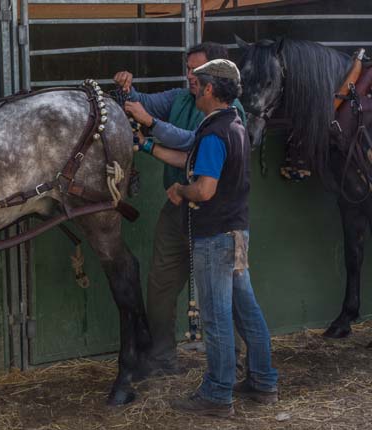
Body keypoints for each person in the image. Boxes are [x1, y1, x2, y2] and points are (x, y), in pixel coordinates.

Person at [141, 59, 278, 417]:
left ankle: (218, 394)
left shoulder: (216, 133)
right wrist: (147, 144)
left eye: (198, 84)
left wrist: (180, 191)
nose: (193, 87)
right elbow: (188, 147)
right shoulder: (229, 124)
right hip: (235, 233)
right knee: (247, 312)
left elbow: (203, 189)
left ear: (210, 90)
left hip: (215, 236)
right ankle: (264, 382)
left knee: (216, 319)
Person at [112, 42, 246, 375]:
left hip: (214, 213)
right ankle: (162, 358)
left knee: (228, 293)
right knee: (160, 283)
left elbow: (193, 142)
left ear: (214, 76)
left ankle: (238, 365)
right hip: (179, 206)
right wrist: (127, 89)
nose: (190, 75)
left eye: (196, 70)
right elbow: (139, 103)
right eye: (188, 68)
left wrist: (150, 128)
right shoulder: (181, 98)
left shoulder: (231, 111)